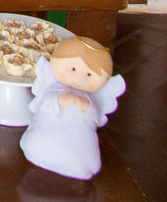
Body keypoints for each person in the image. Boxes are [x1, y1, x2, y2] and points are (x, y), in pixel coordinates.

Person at [20, 36, 126, 180]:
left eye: (89, 74)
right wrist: (60, 99)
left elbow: (94, 116)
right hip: (48, 131)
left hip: (78, 136)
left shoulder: (88, 98)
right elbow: (46, 101)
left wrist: (86, 106)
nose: (78, 78)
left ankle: (82, 165)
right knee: (40, 143)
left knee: (83, 156)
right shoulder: (53, 88)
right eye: (74, 69)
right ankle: (41, 151)